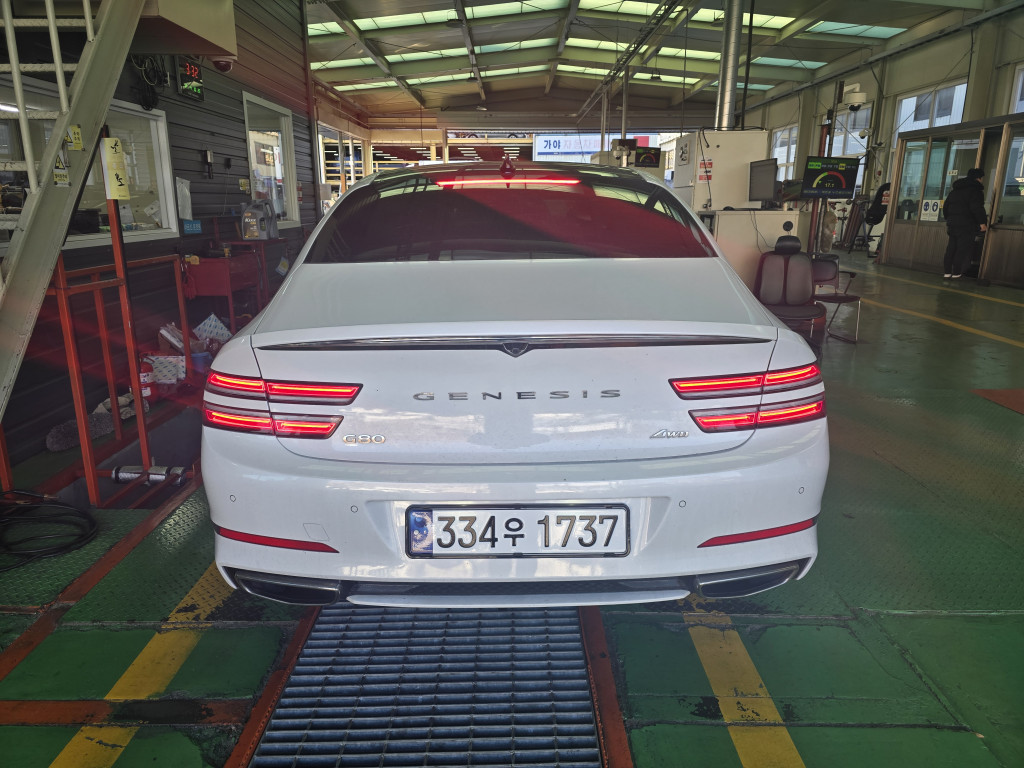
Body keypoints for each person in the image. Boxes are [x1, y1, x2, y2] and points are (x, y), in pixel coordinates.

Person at [942, 168, 988, 278]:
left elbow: (945, 207)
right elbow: (977, 208)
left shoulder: (954, 191)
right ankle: (957, 272)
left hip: (952, 225)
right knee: (962, 249)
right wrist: (982, 223)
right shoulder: (975, 191)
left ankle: (947, 272)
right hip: (967, 225)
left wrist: (950, 219)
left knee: (951, 248)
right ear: (978, 178)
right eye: (982, 178)